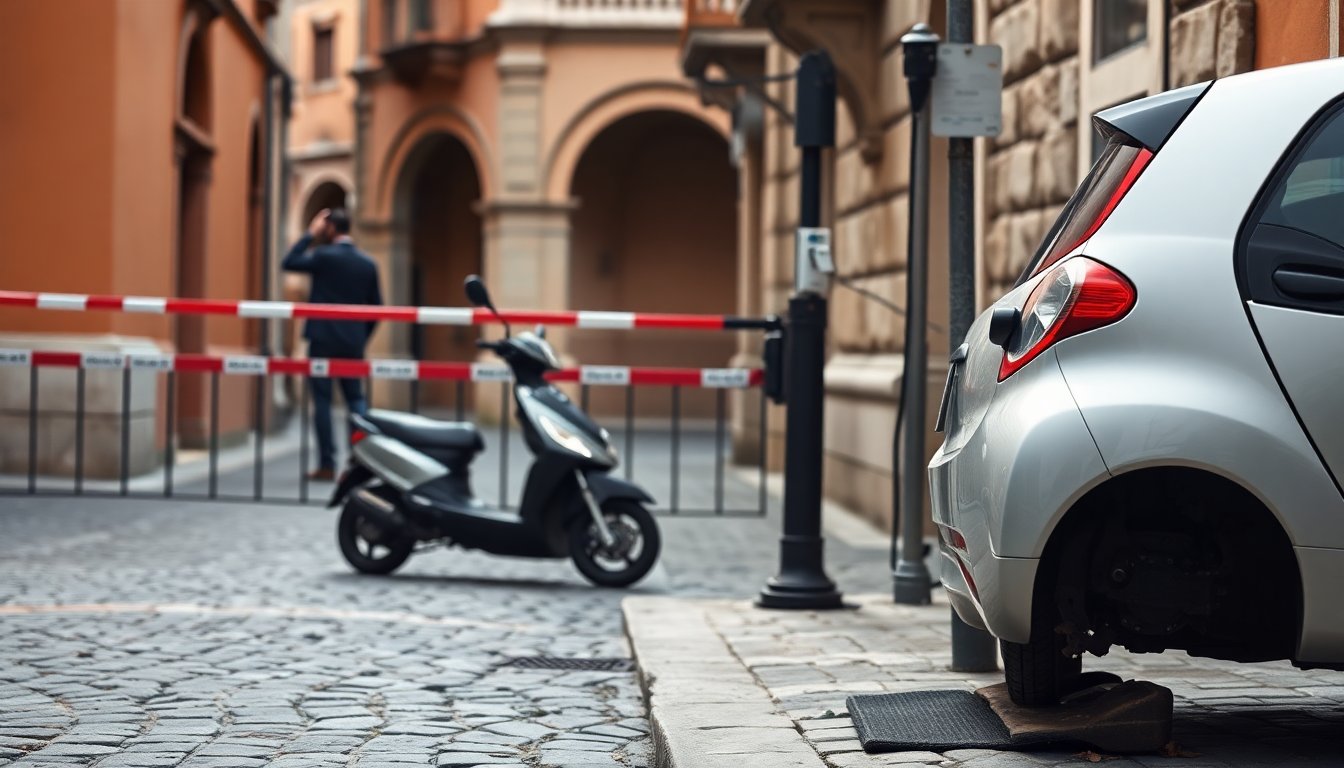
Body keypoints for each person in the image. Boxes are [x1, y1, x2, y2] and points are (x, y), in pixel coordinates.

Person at [283, 208, 383, 481]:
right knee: (356, 399)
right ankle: (360, 462)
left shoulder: (323, 256)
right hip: (353, 341)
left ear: (329, 229)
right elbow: (378, 307)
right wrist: (362, 335)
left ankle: (327, 464)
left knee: (323, 402)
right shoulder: (367, 263)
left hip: (323, 339)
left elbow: (289, 262)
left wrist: (309, 234)